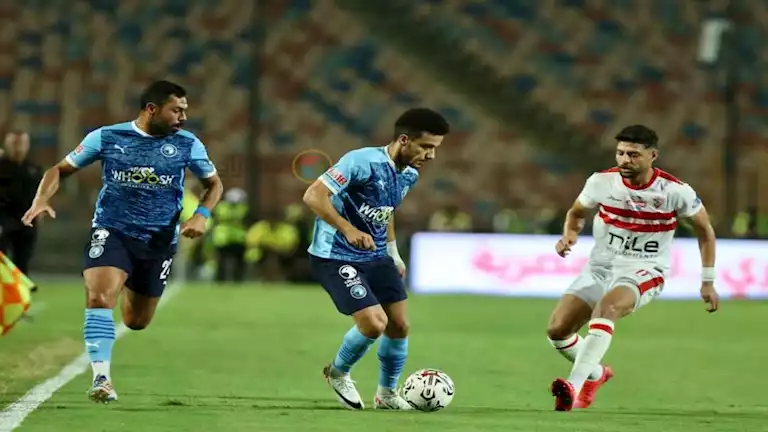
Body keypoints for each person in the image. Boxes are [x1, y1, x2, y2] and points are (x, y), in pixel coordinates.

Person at [21, 80, 224, 404]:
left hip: (158, 240)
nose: (183, 117)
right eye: (176, 110)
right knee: (99, 297)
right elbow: (59, 170)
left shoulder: (188, 144)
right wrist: (41, 199)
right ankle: (101, 378)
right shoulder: (107, 137)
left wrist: (201, 214)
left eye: (185, 110)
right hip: (112, 230)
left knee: (136, 321)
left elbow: (214, 185)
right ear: (152, 109)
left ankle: (127, 277)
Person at [546, 124, 719, 411]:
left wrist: (708, 280)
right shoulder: (601, 182)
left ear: (653, 155)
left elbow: (705, 231)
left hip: (645, 269)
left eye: (633, 154)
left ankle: (572, 388)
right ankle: (597, 374)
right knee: (557, 331)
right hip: (601, 267)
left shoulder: (676, 191)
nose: (625, 160)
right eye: (621, 153)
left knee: (608, 308)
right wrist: (570, 234)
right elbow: (576, 212)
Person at [303, 108, 449, 410]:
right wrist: (348, 229)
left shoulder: (409, 174)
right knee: (373, 324)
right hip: (336, 255)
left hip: (376, 255)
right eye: (426, 147)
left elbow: (386, 212)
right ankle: (338, 372)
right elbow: (313, 196)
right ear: (404, 140)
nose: (431, 156)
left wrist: (393, 253)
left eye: (435, 148)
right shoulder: (361, 161)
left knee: (399, 326)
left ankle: (386, 394)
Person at [0, 131, 43, 278]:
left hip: (27, 222)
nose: (18, 148)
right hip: (3, 221)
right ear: (7, 145)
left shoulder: (34, 169)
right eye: (14, 143)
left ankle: (21, 291)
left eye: (22, 143)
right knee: (2, 263)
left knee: (22, 263)